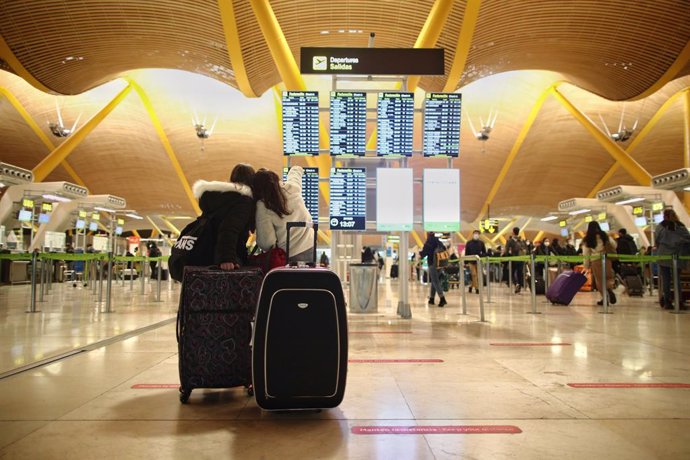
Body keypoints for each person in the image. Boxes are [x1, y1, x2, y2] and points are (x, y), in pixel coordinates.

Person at [192, 163, 256, 270]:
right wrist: (226, 258)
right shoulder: (243, 200)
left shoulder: (215, 199)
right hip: (227, 259)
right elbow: (229, 229)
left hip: (205, 254)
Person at [253, 166, 313, 263]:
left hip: (286, 256)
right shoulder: (293, 188)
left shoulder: (263, 205)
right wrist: (296, 168)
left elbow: (267, 243)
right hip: (310, 247)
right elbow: (295, 175)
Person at [655, 209, 690, 309]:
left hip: (663, 255)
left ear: (664, 216)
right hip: (677, 255)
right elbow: (687, 239)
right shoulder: (681, 226)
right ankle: (679, 301)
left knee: (666, 279)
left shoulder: (661, 226)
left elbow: (657, 239)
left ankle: (667, 301)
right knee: (676, 279)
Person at [582, 221, 617, 305]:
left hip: (596, 260)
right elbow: (614, 244)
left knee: (599, 280)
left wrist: (586, 265)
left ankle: (605, 298)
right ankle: (609, 289)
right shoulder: (604, 235)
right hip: (606, 258)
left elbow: (586, 253)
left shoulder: (588, 238)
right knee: (608, 277)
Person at [420, 232, 447, 307]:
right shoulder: (439, 242)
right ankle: (432, 298)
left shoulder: (429, 242)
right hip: (440, 264)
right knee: (434, 280)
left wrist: (420, 254)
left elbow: (424, 253)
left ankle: (442, 298)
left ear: (428, 234)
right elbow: (445, 249)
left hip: (433, 263)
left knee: (435, 281)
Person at [503, 227, 527, 293]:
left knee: (512, 273)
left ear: (513, 232)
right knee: (520, 273)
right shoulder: (521, 240)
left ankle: (516, 283)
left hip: (513, 259)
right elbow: (525, 249)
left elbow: (506, 250)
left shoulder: (510, 241)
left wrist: (506, 257)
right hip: (521, 259)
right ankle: (519, 286)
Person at [464, 230, 486, 294]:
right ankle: (477, 288)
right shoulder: (469, 243)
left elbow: (484, 252)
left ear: (479, 235)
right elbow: (466, 252)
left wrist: (481, 255)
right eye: (475, 233)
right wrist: (465, 262)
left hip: (478, 261)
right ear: (473, 234)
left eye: (477, 234)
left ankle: (471, 286)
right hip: (471, 261)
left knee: (478, 275)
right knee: (474, 275)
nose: (476, 235)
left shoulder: (481, 243)